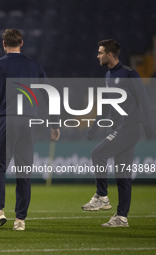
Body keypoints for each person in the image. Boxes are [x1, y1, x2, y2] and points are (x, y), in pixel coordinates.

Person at [0, 28, 60, 231]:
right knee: (24, 171)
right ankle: (20, 220)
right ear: (22, 43)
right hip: (29, 122)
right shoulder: (34, 66)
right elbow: (49, 95)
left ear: (3, 44)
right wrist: (54, 123)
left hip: (6, 120)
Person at [82, 39, 153, 227]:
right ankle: (122, 217)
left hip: (129, 127)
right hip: (119, 128)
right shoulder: (108, 76)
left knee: (98, 153)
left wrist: (150, 128)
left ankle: (102, 196)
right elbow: (106, 105)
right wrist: (95, 127)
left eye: (100, 52)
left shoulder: (130, 74)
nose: (97, 55)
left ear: (110, 55)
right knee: (123, 175)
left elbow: (144, 101)